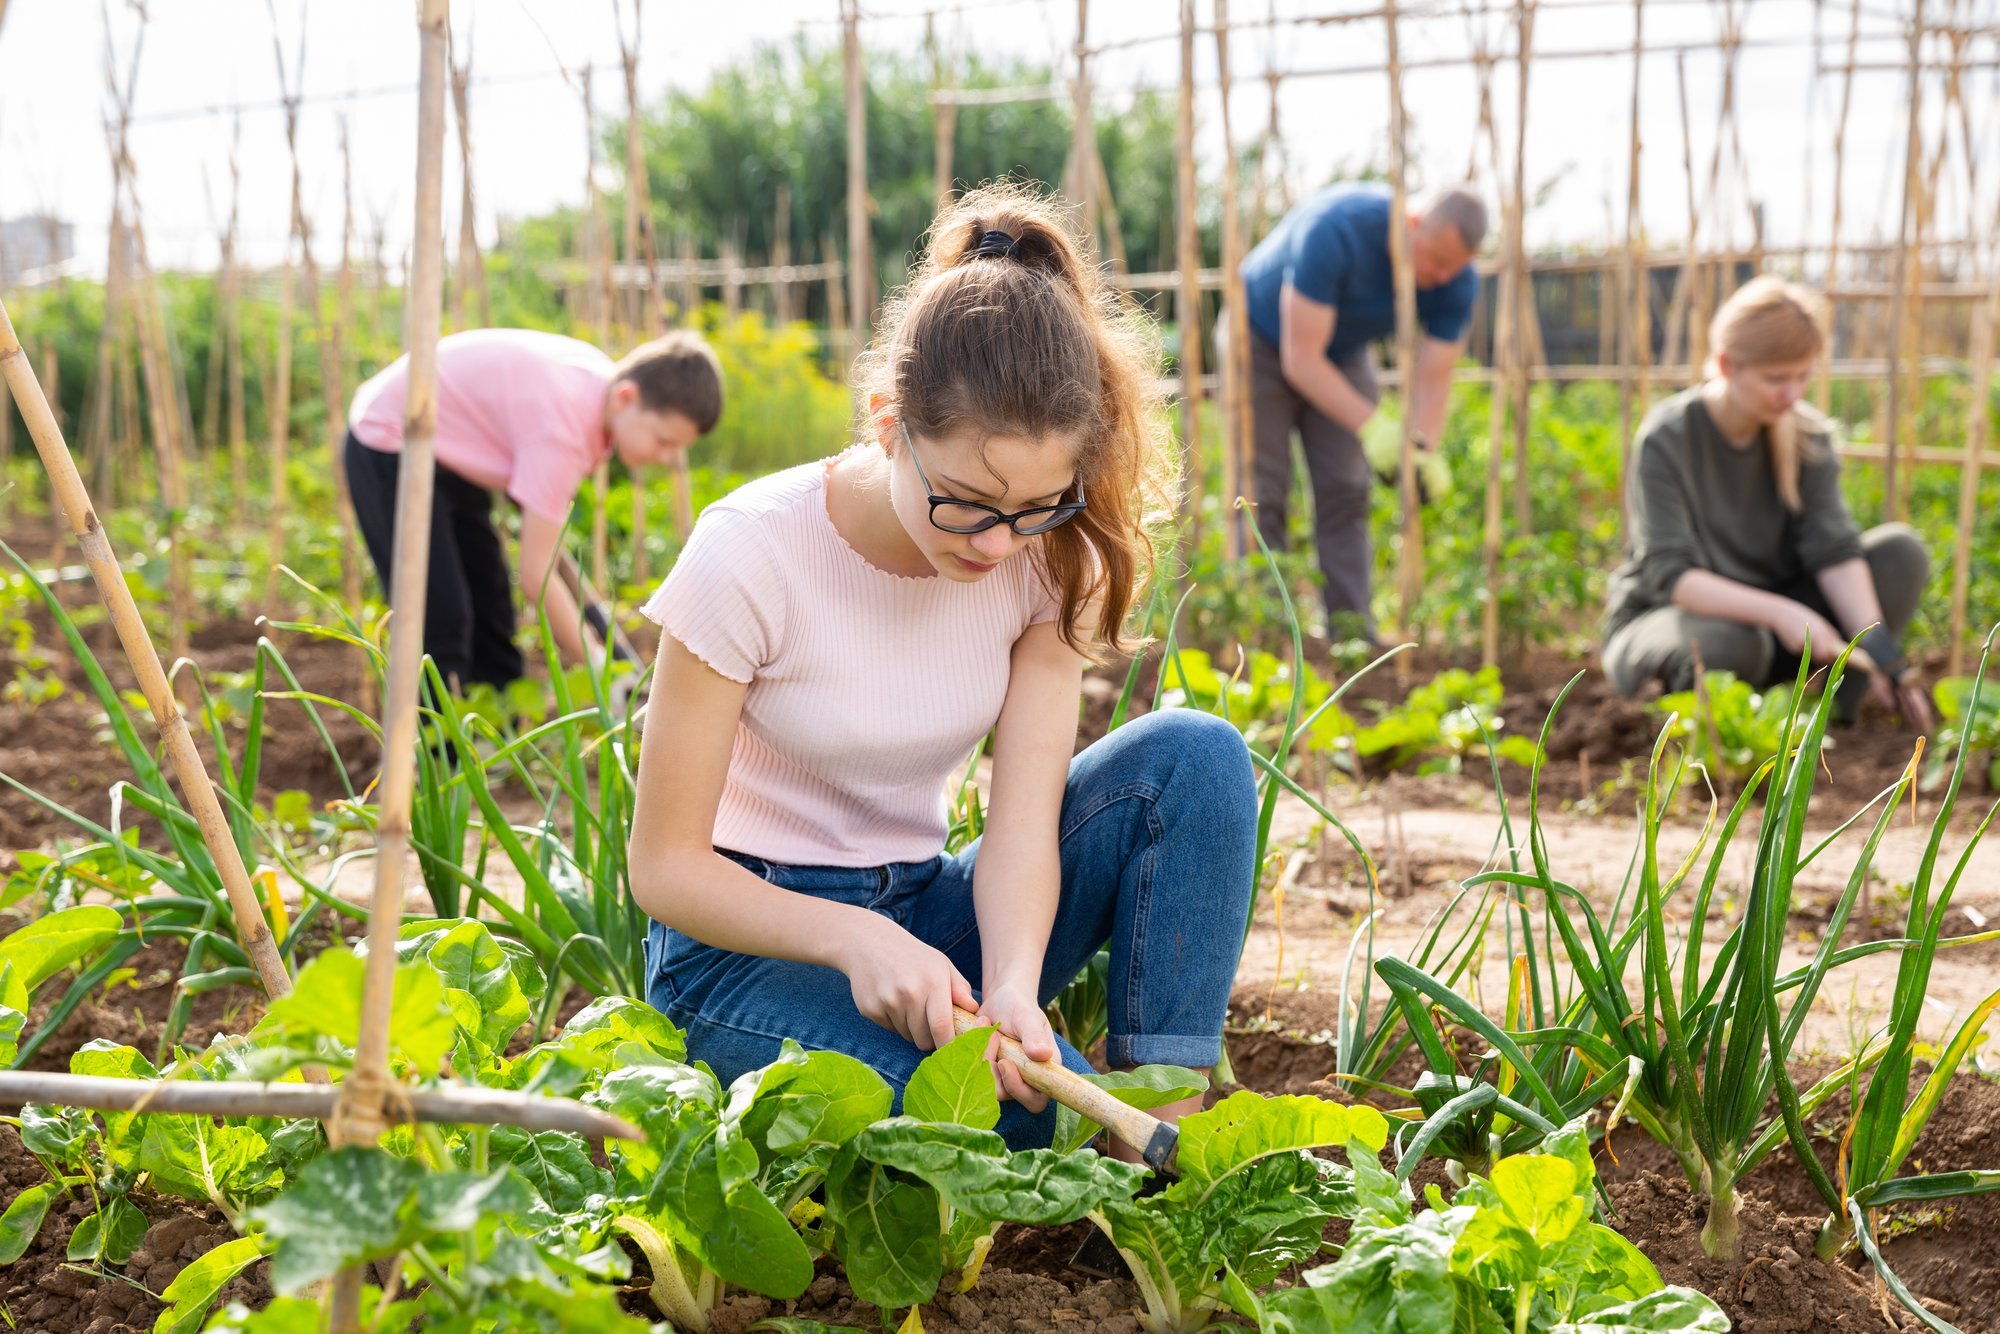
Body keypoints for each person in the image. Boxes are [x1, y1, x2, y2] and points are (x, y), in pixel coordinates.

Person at [625, 184, 1259, 1154]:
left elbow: (1021, 827)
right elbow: (663, 866)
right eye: (965, 501)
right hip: (741, 954)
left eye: (1036, 507)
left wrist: (1011, 983)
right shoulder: (750, 552)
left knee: (1195, 757)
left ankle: (1165, 1129)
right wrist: (853, 938)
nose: (997, 544)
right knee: (1019, 1118)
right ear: (888, 421)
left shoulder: (1050, 558)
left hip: (927, 916)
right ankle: (1113, 1151)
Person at [1602, 276, 1931, 728]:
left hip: (1777, 634)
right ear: (1726, 364)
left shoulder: (1807, 435)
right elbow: (1672, 576)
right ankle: (1698, 733)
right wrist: (1781, 611)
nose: (1792, 394)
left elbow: (1834, 551)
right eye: (1775, 379)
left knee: (1900, 553)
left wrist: (1882, 653)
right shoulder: (1668, 437)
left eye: (1802, 376)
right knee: (1734, 642)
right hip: (1673, 624)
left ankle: (1836, 724)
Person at [343, 327, 723, 691]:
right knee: (440, 613)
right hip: (393, 436)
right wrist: (600, 669)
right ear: (626, 397)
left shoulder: (600, 388)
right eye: (663, 441)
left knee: (492, 606)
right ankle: (438, 734)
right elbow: (536, 578)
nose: (667, 458)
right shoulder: (563, 431)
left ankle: (499, 724)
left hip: (448, 446)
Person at [1241, 182, 1487, 642]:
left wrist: (1422, 451)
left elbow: (1434, 377)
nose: (1442, 277)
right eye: (1436, 260)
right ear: (1412, 224)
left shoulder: (1455, 278)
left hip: (1344, 349)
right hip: (1260, 338)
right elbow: (1301, 358)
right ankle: (1263, 635)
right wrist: (1373, 426)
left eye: (1454, 267)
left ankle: (1352, 635)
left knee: (1347, 488)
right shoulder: (1335, 231)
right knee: (1262, 492)